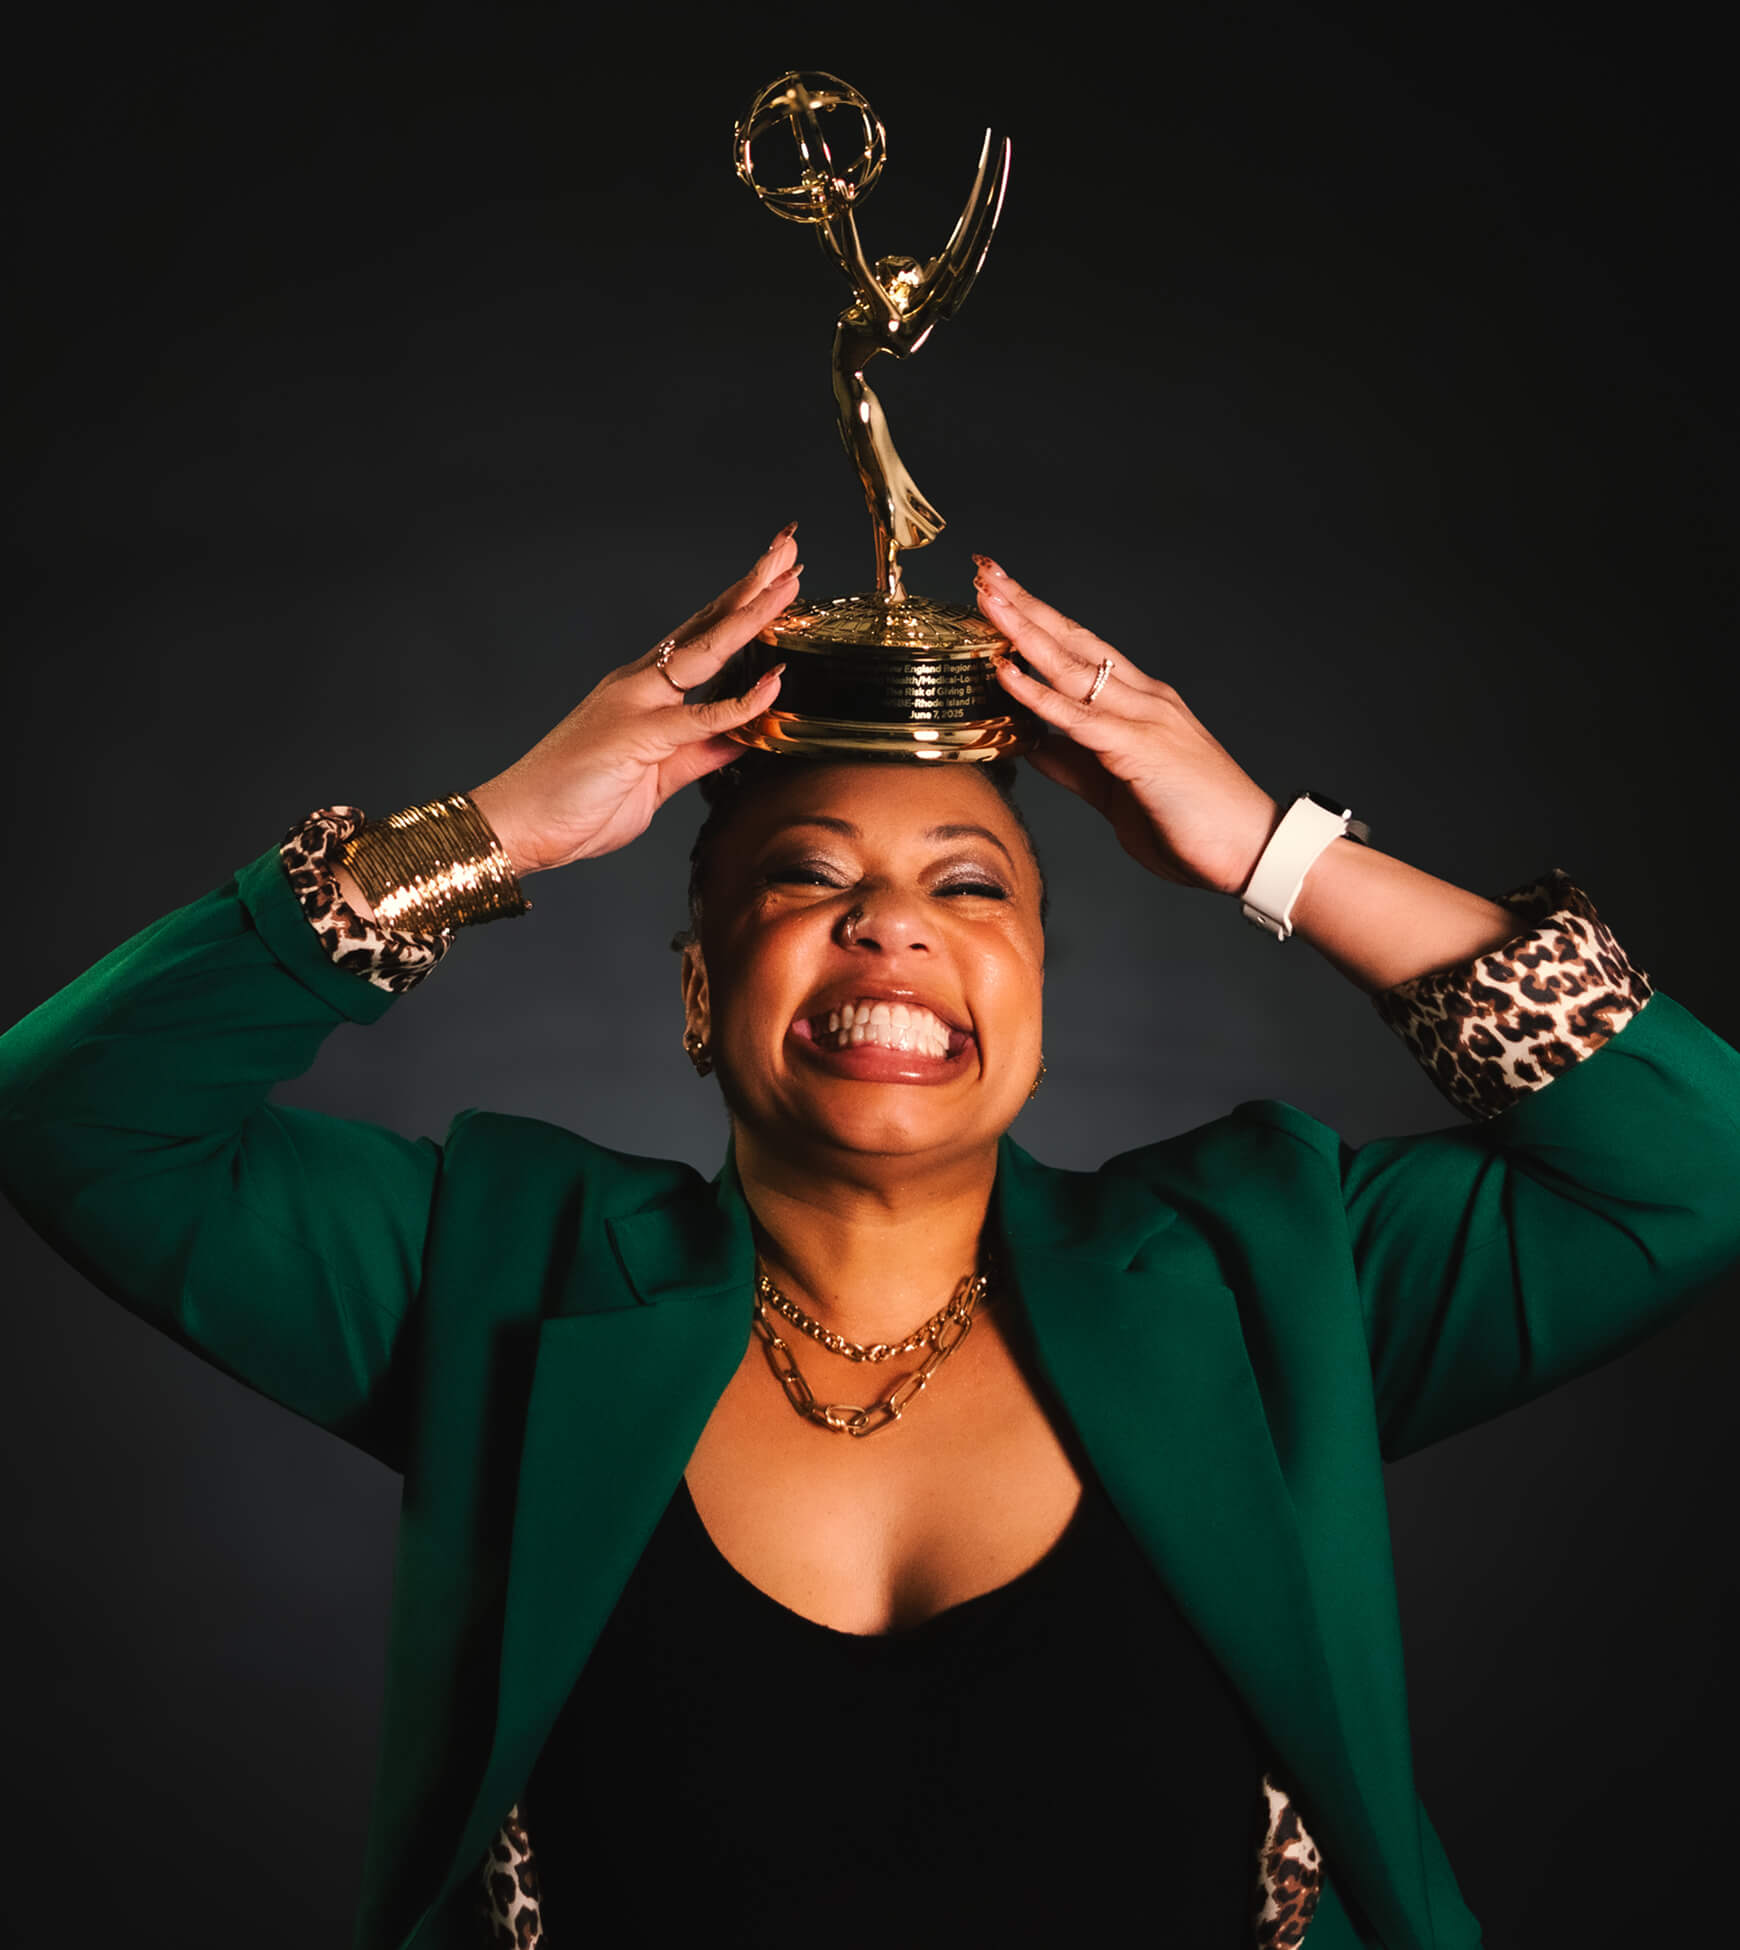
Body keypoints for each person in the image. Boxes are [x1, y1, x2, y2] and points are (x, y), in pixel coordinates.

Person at [2, 524, 1736, 1950]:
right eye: (804, 880)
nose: (889, 930)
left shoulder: (1268, 1272)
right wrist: (493, 829)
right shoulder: (501, 1278)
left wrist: (1271, 852)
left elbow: (1695, 1167)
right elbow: (70, 1113)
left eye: (971, 886)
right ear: (701, 992)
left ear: (1037, 984)